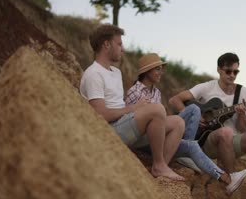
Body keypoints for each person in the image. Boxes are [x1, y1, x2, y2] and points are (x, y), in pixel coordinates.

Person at [125, 53, 246, 194]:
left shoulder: (156, 92)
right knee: (191, 142)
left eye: (161, 69)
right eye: (158, 69)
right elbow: (134, 123)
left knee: (194, 110)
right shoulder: (135, 91)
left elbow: (159, 120)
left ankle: (227, 177)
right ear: (147, 71)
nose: (161, 72)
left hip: (159, 135)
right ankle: (224, 176)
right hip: (148, 139)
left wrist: (241, 113)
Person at [79, 24, 184, 181]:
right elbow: (100, 115)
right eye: (119, 44)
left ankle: (160, 167)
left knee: (178, 122)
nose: (123, 49)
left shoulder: (116, 72)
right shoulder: (93, 74)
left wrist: (135, 112)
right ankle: (159, 165)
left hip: (124, 124)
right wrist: (134, 108)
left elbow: (118, 106)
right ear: (106, 45)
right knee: (157, 110)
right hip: (109, 131)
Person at [169, 52, 246, 176]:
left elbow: (243, 129)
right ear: (219, 70)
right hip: (205, 141)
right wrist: (196, 118)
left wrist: (241, 114)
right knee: (226, 132)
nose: (232, 75)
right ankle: (231, 177)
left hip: (232, 141)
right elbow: (174, 100)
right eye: (228, 71)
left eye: (235, 72)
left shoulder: (243, 92)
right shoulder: (207, 87)